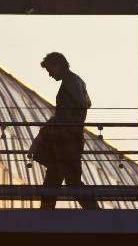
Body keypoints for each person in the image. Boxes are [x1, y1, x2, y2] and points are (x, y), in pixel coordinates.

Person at [33, 52, 98, 210]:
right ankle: (95, 213)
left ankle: (44, 218)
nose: (49, 74)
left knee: (65, 181)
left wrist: (44, 133)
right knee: (58, 180)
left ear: (58, 66)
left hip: (65, 142)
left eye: (50, 70)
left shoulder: (69, 84)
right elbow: (84, 105)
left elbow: (65, 115)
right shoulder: (77, 82)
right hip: (69, 140)